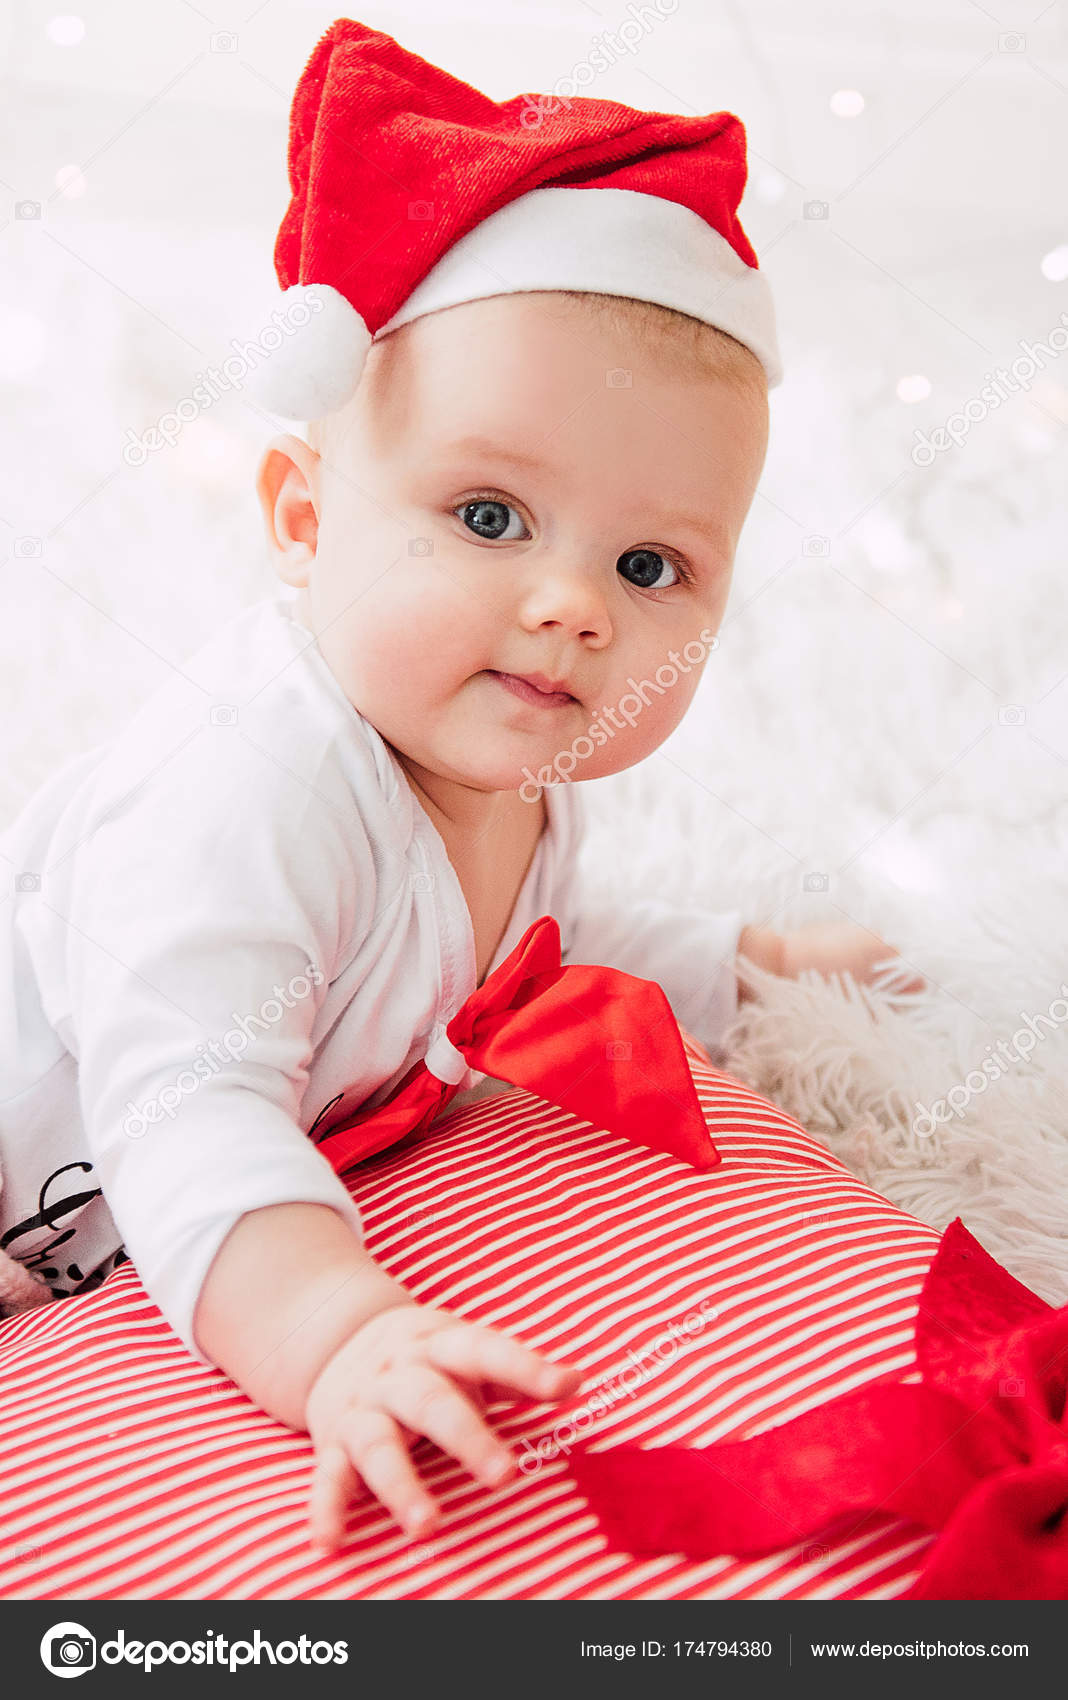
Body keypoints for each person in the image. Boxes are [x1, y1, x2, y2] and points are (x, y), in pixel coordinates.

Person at [0, 18, 918, 1552]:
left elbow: (529, 943)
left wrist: (739, 966)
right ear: (301, 518)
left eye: (649, 565)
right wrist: (340, 1330)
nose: (575, 606)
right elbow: (182, 1101)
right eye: (489, 514)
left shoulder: (516, 775)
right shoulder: (251, 796)